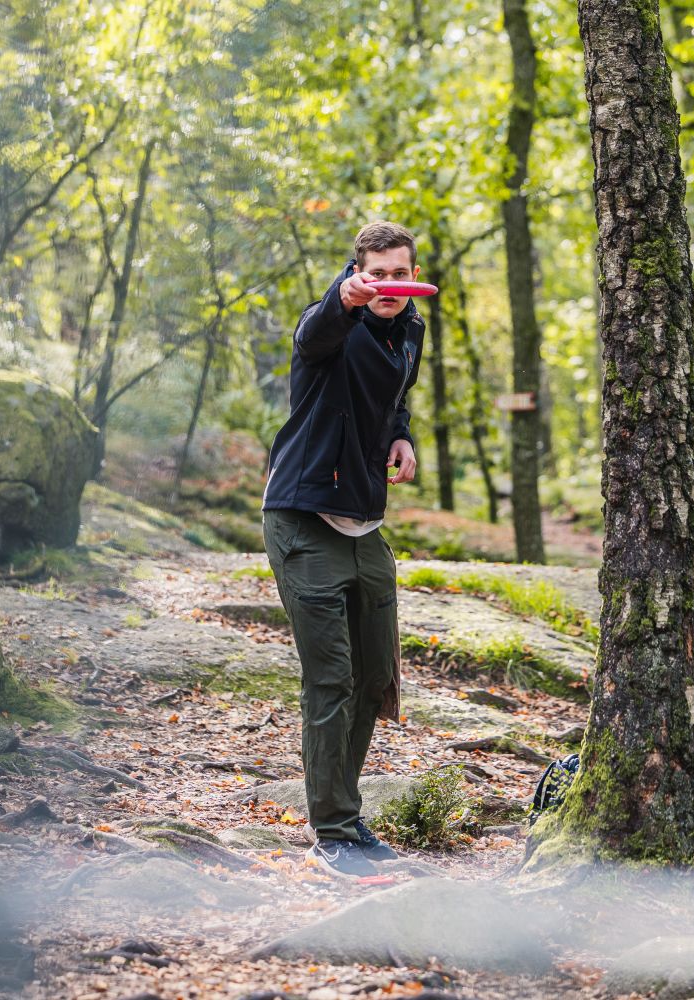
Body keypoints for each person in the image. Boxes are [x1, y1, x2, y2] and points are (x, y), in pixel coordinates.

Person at [262, 221, 426, 879]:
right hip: (303, 518)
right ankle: (330, 833)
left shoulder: (411, 327)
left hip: (366, 523)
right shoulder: (335, 319)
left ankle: (348, 817)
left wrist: (404, 435)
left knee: (374, 679)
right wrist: (345, 299)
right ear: (358, 271)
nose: (390, 286)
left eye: (400, 273)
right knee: (330, 677)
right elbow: (313, 334)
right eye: (377, 274)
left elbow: (393, 396)